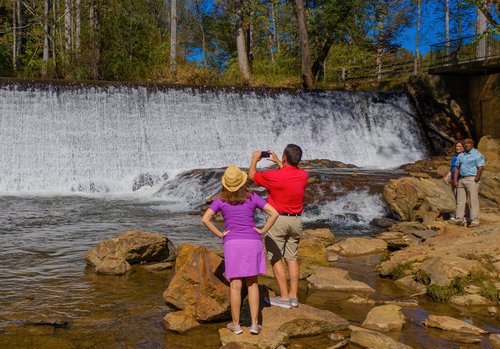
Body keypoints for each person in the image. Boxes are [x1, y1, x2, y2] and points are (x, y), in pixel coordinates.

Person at [202, 165, 279, 335]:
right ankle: (254, 324)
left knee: (235, 286)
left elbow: (206, 219)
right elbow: (274, 213)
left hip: (233, 243)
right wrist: (263, 230)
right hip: (252, 241)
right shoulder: (252, 197)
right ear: (242, 182)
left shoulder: (221, 199)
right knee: (252, 285)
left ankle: (235, 325)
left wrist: (221, 234)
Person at [249, 144, 308, 309]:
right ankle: (293, 297)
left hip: (278, 221)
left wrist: (255, 159)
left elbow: (252, 175)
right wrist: (279, 162)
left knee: (276, 258)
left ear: (284, 158)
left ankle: (283, 298)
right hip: (297, 221)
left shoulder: (274, 176)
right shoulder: (303, 175)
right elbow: (289, 174)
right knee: (292, 258)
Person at [452, 138, 485, 227]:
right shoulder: (461, 156)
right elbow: (457, 168)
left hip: (472, 179)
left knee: (473, 200)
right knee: (460, 200)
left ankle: (474, 220)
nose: (466, 145)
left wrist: (476, 179)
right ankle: (459, 219)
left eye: (468, 143)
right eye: (465, 143)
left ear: (472, 144)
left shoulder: (477, 155)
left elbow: (481, 168)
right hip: (461, 179)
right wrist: (455, 180)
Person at [444, 141, 464, 207]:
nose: (457, 148)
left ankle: (462, 214)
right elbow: (452, 168)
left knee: (460, 197)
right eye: (456, 146)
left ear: (463, 147)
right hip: (453, 179)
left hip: (460, 179)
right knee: (455, 196)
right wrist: (447, 176)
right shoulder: (454, 157)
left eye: (459, 146)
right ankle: (456, 213)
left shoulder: (465, 157)